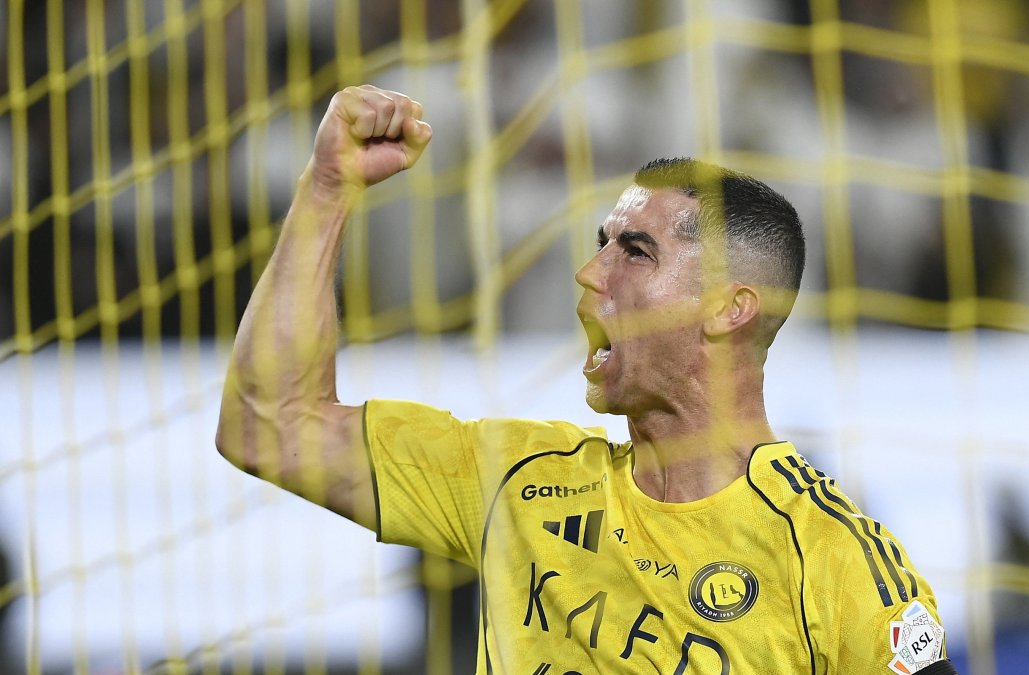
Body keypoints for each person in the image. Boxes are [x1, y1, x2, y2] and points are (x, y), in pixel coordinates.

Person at [216, 85, 958, 674]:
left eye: (633, 252)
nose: (589, 271)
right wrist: (325, 189)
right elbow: (268, 425)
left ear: (730, 309)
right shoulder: (514, 482)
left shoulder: (835, 563)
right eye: (598, 244)